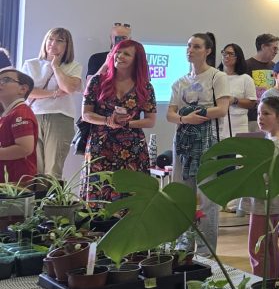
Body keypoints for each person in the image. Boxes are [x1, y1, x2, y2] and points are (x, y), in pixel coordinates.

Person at [168, 33, 231, 256]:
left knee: (207, 199)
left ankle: (206, 252)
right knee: (183, 196)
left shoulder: (217, 77)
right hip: (183, 141)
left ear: (208, 51)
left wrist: (197, 114)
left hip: (208, 140)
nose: (190, 50)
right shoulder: (180, 81)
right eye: (188, 46)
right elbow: (170, 114)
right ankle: (183, 247)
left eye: (196, 46)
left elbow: (222, 109)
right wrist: (185, 118)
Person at [81, 39, 156, 202]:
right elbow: (86, 114)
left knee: (131, 197)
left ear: (137, 60)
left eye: (126, 54)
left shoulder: (145, 87)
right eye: (118, 52)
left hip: (133, 149)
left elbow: (150, 121)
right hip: (100, 146)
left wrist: (126, 123)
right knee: (98, 194)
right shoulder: (97, 81)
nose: (119, 56)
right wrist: (107, 120)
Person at [22, 27, 82, 178]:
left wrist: (55, 66)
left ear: (67, 45)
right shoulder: (30, 64)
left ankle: (50, 195)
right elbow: (26, 92)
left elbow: (68, 88)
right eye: (50, 39)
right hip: (32, 117)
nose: (53, 43)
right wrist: (54, 93)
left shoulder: (73, 66)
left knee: (53, 169)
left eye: (59, 41)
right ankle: (36, 195)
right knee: (33, 168)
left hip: (60, 117)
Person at [248, 96, 279, 279]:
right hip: (272, 200)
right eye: (259, 113)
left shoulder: (275, 144)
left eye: (266, 114)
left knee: (257, 248)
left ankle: (261, 286)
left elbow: (265, 174)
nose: (260, 117)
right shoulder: (274, 139)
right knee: (270, 245)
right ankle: (273, 281)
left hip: (265, 201)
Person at [0, 68, 38, 185]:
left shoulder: (20, 113)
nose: (0, 83)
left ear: (22, 89)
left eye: (5, 80)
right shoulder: (8, 114)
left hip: (17, 185)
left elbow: (24, 148)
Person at [218, 43, 257, 139]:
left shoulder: (245, 79)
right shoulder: (215, 77)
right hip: (218, 125)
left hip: (238, 127)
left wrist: (235, 100)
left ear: (238, 57)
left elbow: (252, 103)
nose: (227, 56)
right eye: (224, 53)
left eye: (231, 54)